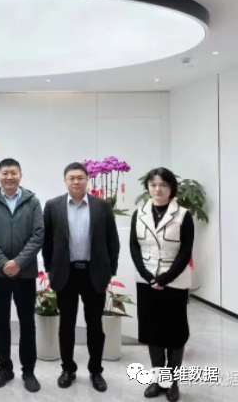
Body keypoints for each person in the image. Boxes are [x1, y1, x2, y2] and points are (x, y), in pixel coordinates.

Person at [42, 162, 120, 392]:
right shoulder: (53, 206)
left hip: (93, 273)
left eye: (80, 178)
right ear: (65, 181)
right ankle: (68, 368)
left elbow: (112, 241)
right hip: (65, 274)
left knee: (95, 325)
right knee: (66, 325)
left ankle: (96, 371)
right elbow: (46, 242)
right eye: (71, 178)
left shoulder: (102, 206)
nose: (76, 182)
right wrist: (50, 268)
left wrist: (110, 271)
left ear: (87, 180)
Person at [0, 158, 44, 393]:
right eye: (5, 173)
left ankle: (28, 371)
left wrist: (18, 262)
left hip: (25, 273)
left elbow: (38, 234)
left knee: (27, 322)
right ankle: (5, 368)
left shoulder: (32, 201)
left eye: (13, 173)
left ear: (20, 175)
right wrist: (4, 263)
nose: (9, 177)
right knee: (1, 322)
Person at [130, 167, 193, 402]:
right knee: (153, 332)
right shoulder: (139, 213)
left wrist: (164, 278)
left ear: (171, 188)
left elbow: (186, 251)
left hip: (174, 282)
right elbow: (134, 246)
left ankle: (173, 382)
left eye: (163, 185)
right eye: (153, 184)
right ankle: (159, 380)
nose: (158, 189)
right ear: (148, 187)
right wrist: (148, 276)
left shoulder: (184, 215)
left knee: (175, 334)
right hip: (146, 281)